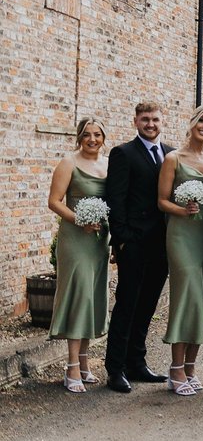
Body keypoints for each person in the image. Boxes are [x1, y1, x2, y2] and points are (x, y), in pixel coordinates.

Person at [105, 102, 173, 393]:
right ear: (135, 121)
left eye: (155, 119)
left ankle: (137, 363)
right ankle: (115, 368)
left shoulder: (171, 153)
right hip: (133, 243)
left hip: (163, 243)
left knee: (147, 305)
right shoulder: (123, 153)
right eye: (145, 119)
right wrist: (122, 240)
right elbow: (115, 200)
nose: (150, 123)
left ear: (162, 121)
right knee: (127, 305)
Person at [157, 106, 203, 396]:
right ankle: (175, 369)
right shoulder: (173, 159)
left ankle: (192, 367)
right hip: (182, 234)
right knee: (187, 296)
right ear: (192, 122)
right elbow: (161, 201)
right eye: (202, 121)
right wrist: (183, 210)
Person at [47, 118, 112, 393]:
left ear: (103, 137)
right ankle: (71, 366)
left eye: (97, 135)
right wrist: (79, 221)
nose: (92, 139)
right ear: (79, 137)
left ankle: (85, 364)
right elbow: (54, 202)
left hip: (99, 240)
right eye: (87, 135)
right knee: (78, 296)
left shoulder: (109, 164)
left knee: (93, 296)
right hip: (76, 238)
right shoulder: (68, 163)